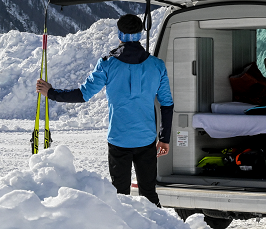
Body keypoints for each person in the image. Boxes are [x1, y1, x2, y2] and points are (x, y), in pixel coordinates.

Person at [36, 14, 174, 207]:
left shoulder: (108, 64)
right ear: (140, 34)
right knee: (149, 194)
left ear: (120, 34)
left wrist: (51, 93)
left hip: (119, 138)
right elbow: (167, 104)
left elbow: (83, 95)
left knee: (120, 196)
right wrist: (164, 137)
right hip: (146, 139)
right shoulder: (157, 65)